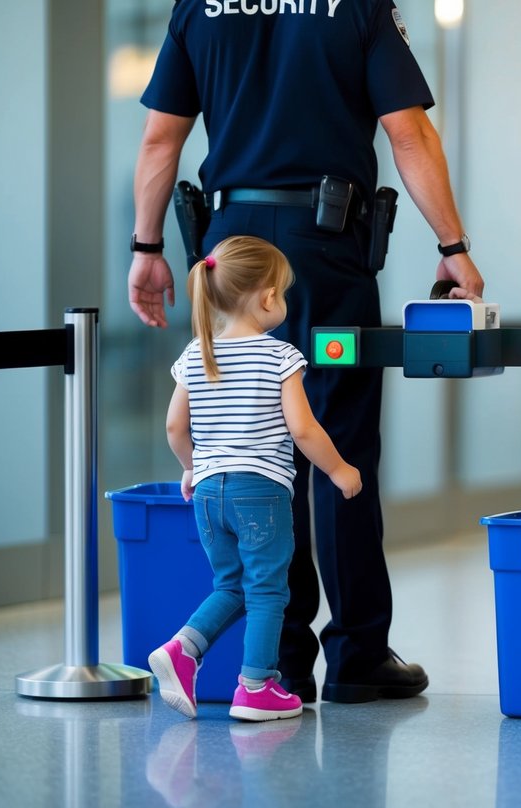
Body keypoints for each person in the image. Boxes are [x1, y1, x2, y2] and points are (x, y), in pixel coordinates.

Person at [128, 1, 485, 704]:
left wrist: (146, 249)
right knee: (337, 444)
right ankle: (356, 653)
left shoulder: (199, 7)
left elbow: (160, 139)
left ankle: (281, 658)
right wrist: (453, 248)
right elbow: (406, 131)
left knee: (251, 436)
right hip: (323, 252)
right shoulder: (355, 6)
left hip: (228, 249)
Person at [150, 236, 363, 722]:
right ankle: (257, 687)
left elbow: (174, 426)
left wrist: (192, 467)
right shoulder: (279, 356)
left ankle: (184, 649)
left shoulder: (194, 355)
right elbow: (303, 427)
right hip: (259, 493)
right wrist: (338, 469)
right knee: (268, 590)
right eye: (282, 295)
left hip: (207, 493)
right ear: (267, 297)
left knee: (232, 586)